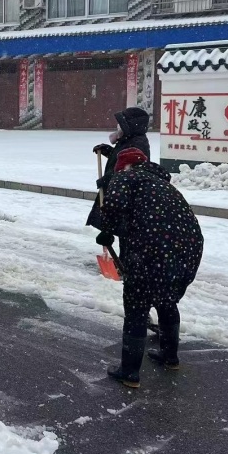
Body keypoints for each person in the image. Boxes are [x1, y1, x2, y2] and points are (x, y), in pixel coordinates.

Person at [96, 147, 203, 389]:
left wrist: (107, 230)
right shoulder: (162, 183)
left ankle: (130, 372)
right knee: (166, 300)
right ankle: (170, 357)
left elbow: (113, 206)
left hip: (151, 249)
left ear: (123, 167)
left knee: (137, 304)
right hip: (188, 248)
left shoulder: (125, 177)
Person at [87, 107, 151, 229]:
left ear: (130, 126)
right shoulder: (127, 140)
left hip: (128, 195)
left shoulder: (137, 143)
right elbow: (123, 159)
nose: (118, 127)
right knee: (113, 225)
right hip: (121, 191)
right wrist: (109, 152)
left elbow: (131, 170)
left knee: (125, 229)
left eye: (121, 124)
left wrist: (109, 179)